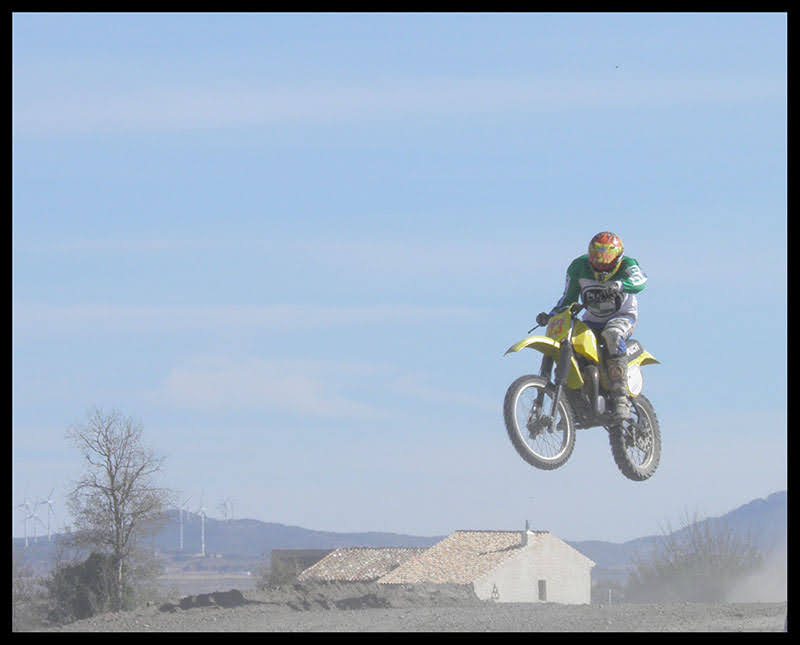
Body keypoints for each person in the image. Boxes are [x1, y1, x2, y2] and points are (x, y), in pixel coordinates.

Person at [536, 231, 647, 423]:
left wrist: (620, 285)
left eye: (606, 254)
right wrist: (551, 315)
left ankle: (620, 397)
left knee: (612, 334)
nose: (601, 260)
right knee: (571, 343)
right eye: (596, 254)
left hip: (623, 316)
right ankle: (573, 400)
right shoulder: (579, 267)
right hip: (592, 318)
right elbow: (568, 298)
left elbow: (641, 280)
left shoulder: (628, 264)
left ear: (617, 254)